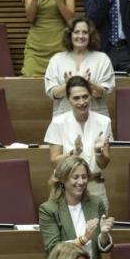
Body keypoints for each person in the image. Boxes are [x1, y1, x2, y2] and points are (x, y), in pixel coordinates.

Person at [39, 156, 114, 259]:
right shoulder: (49, 209)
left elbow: (102, 248)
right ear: (63, 179)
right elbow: (55, 249)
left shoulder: (95, 203)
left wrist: (104, 235)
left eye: (84, 177)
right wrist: (83, 239)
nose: (81, 182)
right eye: (75, 177)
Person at [44, 75, 112, 209]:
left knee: (97, 228)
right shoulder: (58, 122)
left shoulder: (104, 122)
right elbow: (54, 161)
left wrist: (98, 152)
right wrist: (73, 153)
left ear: (91, 96)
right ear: (68, 99)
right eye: (76, 98)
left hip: (94, 185)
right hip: (66, 186)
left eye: (85, 96)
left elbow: (104, 164)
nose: (82, 102)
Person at [43, 17, 114, 116]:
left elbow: (103, 93)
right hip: (64, 121)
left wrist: (89, 85)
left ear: (90, 36)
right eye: (76, 32)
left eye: (85, 32)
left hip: (96, 120)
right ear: (70, 35)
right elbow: (53, 94)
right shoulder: (56, 60)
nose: (80, 36)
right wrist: (67, 85)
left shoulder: (102, 59)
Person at [21, 0, 75, 77]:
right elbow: (30, 18)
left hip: (60, 45)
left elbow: (71, 20)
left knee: (62, 87)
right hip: (36, 48)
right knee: (30, 88)